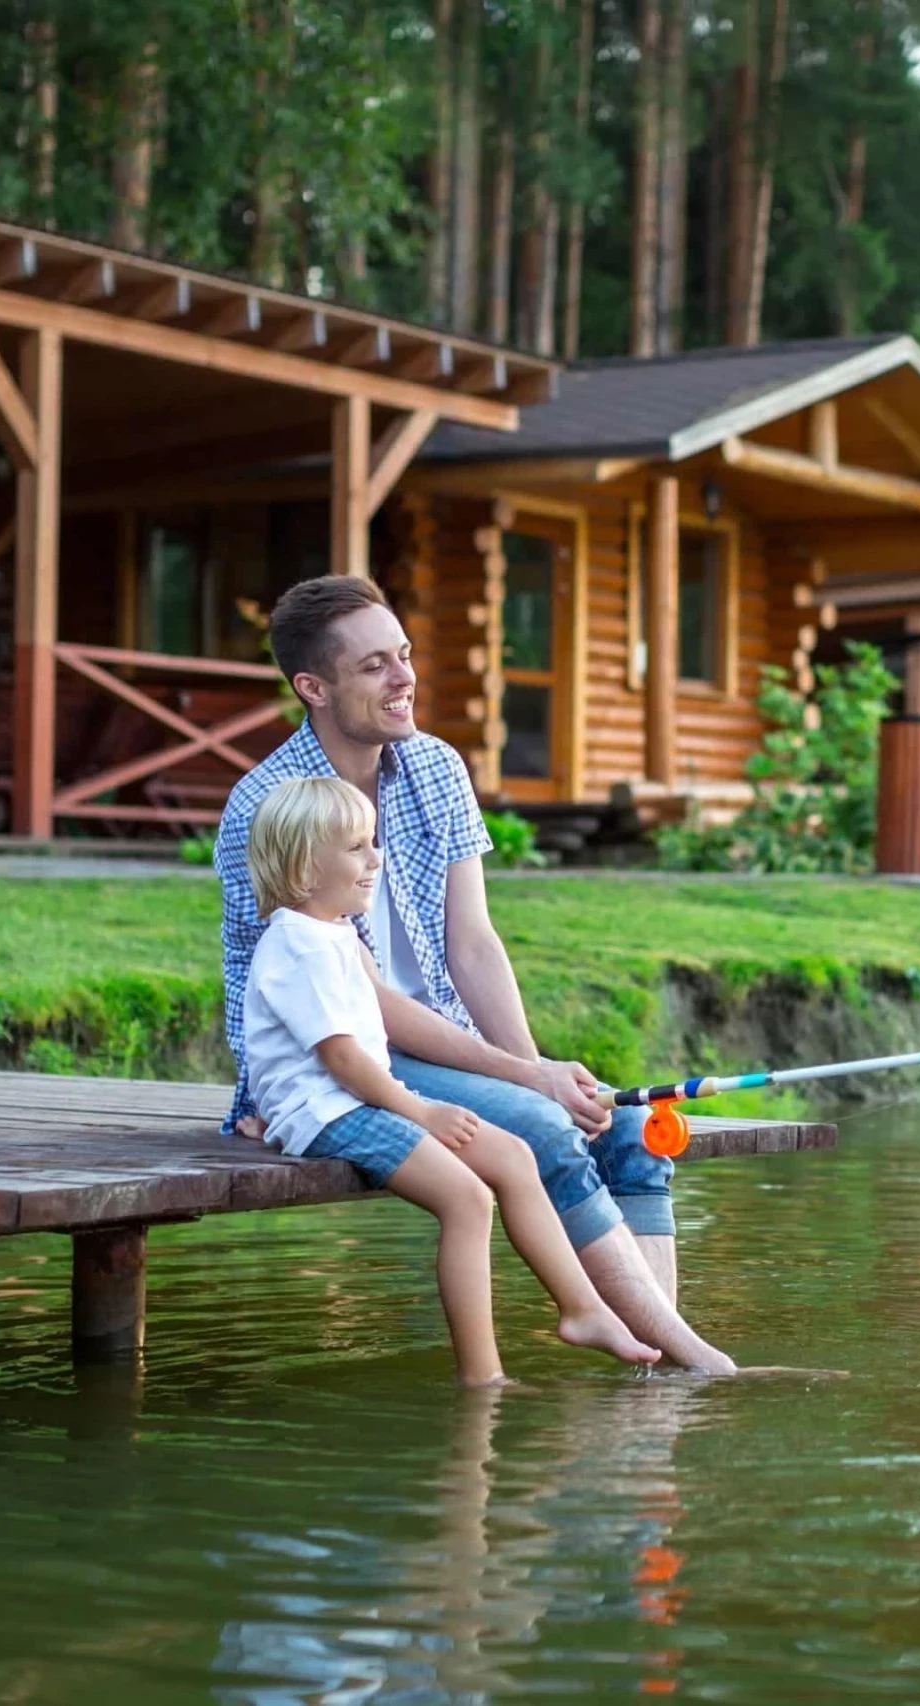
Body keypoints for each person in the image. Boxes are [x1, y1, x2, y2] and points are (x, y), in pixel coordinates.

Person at [217, 574, 736, 1374]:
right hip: (349, 1056)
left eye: (405, 655)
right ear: (313, 688)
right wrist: (530, 1084)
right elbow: (364, 1007)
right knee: (543, 1130)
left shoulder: (435, 768)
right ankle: (690, 1362)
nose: (404, 678)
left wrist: (538, 1070)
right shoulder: (272, 806)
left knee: (627, 1129)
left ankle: (657, 1359)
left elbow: (474, 944)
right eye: (374, 666)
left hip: (444, 1042)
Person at [240, 774, 660, 1386]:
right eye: (356, 848)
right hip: (332, 1109)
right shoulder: (298, 946)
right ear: (305, 870)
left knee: (513, 1156)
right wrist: (421, 1111)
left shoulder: (332, 932)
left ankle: (582, 1308)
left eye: (373, 841)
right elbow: (343, 1060)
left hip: (356, 1099)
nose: (376, 859)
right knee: (467, 1200)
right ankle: (483, 1377)